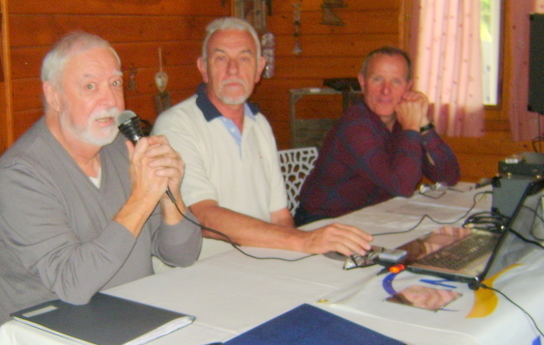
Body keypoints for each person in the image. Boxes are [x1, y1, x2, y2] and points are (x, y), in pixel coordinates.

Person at [0, 31, 201, 332]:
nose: (110, 100)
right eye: (90, 86)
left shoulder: (121, 150)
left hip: (130, 320)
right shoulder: (21, 174)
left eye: (115, 84)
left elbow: (182, 255)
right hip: (46, 337)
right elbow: (73, 284)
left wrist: (170, 196)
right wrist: (141, 198)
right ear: (54, 96)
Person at [152, 17, 372, 259]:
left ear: (259, 69)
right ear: (203, 68)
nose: (233, 69)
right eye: (221, 58)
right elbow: (202, 216)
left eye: (244, 59)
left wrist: (297, 258)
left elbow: (279, 216)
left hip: (259, 263)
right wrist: (303, 241)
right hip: (200, 270)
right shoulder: (176, 126)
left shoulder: (259, 124)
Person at [294, 46, 460, 225]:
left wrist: (423, 123)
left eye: (396, 81)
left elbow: (448, 176)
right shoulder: (355, 125)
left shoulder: (401, 120)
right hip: (323, 224)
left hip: (371, 218)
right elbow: (403, 186)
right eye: (377, 79)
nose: (386, 90)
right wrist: (412, 127)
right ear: (362, 82)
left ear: (408, 86)